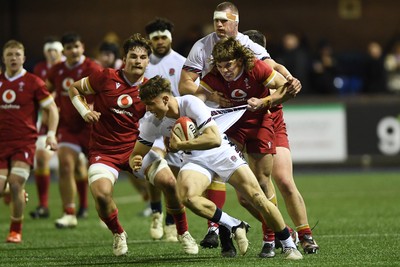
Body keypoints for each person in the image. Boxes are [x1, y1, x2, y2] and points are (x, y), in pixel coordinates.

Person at [130, 75, 303, 260]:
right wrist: (135, 160)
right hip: (194, 159)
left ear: (165, 99)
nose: (148, 109)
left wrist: (181, 146)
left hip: (220, 152)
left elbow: (214, 139)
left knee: (257, 197)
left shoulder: (190, 103)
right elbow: (137, 152)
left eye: (151, 103)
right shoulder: (151, 120)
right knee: (187, 197)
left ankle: (289, 244)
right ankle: (235, 224)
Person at [178, 1, 302, 257]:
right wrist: (208, 99)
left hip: (256, 118)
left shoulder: (250, 50)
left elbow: (276, 72)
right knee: (235, 189)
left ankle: (279, 237)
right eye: (216, 20)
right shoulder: (202, 48)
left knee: (264, 182)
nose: (220, 25)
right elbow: (185, 86)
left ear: (236, 22)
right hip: (224, 121)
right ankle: (225, 228)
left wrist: (286, 84)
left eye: (225, 20)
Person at [68, 33, 197, 256]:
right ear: (124, 59)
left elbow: (166, 116)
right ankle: (118, 233)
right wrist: (85, 111)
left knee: (169, 183)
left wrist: (171, 137)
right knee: (101, 194)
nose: (138, 61)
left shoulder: (150, 90)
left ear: (148, 62)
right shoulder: (105, 77)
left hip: (137, 148)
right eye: (133, 56)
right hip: (104, 151)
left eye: (143, 57)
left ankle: (183, 233)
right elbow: (74, 89)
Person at [0, 40, 59, 243]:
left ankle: (15, 230)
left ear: (24, 58)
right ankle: (12, 191)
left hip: (24, 142)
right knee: (3, 189)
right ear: (4, 58)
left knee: (16, 183)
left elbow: (52, 109)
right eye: (9, 55)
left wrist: (51, 133)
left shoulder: (34, 82)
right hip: (1, 143)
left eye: (17, 54)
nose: (13, 58)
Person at [46, 32, 102, 227]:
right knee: (65, 166)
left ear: (82, 47)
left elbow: (104, 92)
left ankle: (105, 211)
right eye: (69, 48)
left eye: (76, 46)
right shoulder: (56, 70)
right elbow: (47, 92)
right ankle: (69, 213)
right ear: (64, 51)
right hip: (68, 127)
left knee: (98, 169)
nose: (73, 50)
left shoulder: (92, 68)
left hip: (91, 127)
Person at [143, 17, 188, 242]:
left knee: (175, 178)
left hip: (174, 125)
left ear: (170, 38)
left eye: (163, 37)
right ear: (150, 41)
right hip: (150, 124)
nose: (160, 41)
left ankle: (171, 222)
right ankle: (155, 211)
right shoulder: (143, 64)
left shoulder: (182, 62)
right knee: (153, 164)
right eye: (156, 38)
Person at [30, 37, 64, 219]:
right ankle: (43, 205)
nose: (51, 54)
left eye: (55, 51)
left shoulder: (68, 69)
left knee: (75, 167)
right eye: (48, 51)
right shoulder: (39, 69)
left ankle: (81, 206)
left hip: (69, 125)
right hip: (46, 122)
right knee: (41, 158)